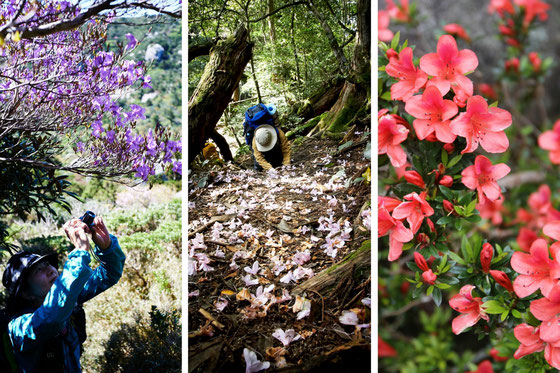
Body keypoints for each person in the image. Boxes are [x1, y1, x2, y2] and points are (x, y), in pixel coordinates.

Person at [2, 216, 125, 372]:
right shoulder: (18, 328)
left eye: (47, 264)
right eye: (38, 270)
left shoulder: (68, 299)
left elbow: (109, 274)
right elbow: (50, 319)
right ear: (26, 294)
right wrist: (80, 252)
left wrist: (106, 247)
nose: (49, 270)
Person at [246, 104, 291, 171]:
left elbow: (286, 148)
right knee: (258, 167)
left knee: (277, 162)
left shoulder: (279, 133)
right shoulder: (254, 141)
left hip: (275, 149)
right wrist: (270, 169)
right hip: (259, 148)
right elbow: (258, 157)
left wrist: (286, 163)